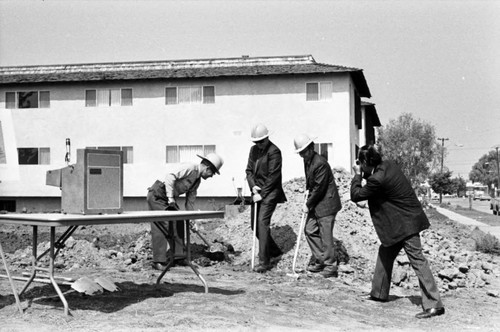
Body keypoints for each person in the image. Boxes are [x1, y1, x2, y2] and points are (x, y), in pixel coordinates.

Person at [350, 144, 444, 319]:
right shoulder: (389, 165)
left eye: (361, 163)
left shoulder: (376, 179)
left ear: (365, 162)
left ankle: (434, 304)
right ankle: (378, 293)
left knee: (417, 260)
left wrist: (357, 174)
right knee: (385, 252)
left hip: (406, 224)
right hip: (401, 222)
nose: (360, 166)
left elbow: (356, 195)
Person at [147, 153, 224, 270]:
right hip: (158, 193)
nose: (211, 176)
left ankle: (179, 257)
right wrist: (170, 198)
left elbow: (190, 203)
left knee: (179, 221)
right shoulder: (190, 168)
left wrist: (192, 220)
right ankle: (158, 261)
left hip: (169, 198)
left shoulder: (196, 181)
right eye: (212, 173)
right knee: (163, 224)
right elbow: (170, 176)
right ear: (207, 168)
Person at [294, 134, 342, 278]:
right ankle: (321, 259)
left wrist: (308, 204)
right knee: (309, 230)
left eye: (303, 152)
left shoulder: (320, 163)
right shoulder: (307, 161)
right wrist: (306, 195)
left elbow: (320, 188)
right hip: (316, 202)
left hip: (327, 203)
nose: (301, 155)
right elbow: (312, 184)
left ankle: (330, 266)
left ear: (310, 148)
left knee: (325, 236)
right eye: (300, 153)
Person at [245, 123, 286, 273]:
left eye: (261, 141)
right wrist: (253, 186)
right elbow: (249, 170)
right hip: (256, 191)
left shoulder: (274, 152)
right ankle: (274, 251)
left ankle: (264, 262)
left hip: (270, 192)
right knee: (254, 225)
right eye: (256, 142)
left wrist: (261, 194)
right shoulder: (253, 150)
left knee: (262, 223)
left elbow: (273, 176)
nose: (259, 145)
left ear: (267, 138)